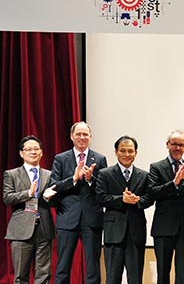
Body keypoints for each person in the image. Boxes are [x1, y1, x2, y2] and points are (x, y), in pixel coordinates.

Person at [51, 121, 107, 284]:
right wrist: (74, 179)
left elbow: (104, 188)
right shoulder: (61, 158)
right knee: (63, 265)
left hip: (92, 217)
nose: (82, 137)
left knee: (93, 266)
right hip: (67, 216)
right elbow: (54, 186)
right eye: (78, 134)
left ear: (90, 137)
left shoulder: (99, 158)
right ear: (71, 136)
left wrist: (90, 179)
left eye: (85, 134)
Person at [96, 135, 154, 284]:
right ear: (116, 152)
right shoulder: (105, 174)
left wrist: (138, 200)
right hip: (114, 232)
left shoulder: (144, 175)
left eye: (130, 151)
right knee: (113, 277)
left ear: (136, 153)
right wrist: (121, 199)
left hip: (136, 231)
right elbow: (100, 198)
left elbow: (149, 198)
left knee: (135, 278)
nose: (127, 154)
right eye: (123, 150)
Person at [147, 130, 184, 284]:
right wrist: (174, 183)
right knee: (163, 272)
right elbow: (153, 192)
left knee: (182, 274)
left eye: (181, 145)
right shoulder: (156, 167)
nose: (178, 148)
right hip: (163, 227)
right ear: (167, 144)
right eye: (174, 144)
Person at [3, 135, 57, 284]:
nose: (33, 152)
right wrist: (28, 193)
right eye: (29, 149)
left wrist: (47, 198)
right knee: (21, 276)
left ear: (41, 152)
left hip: (44, 228)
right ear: (21, 153)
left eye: (36, 149)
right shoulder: (12, 174)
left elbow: (56, 202)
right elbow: (7, 198)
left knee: (44, 276)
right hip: (21, 230)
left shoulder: (49, 175)